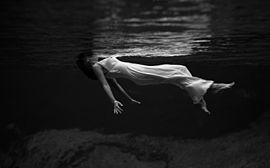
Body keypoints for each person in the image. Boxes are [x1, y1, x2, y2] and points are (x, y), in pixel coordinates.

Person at [76, 52, 234, 115]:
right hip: (138, 73)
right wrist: (113, 101)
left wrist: (128, 98)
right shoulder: (97, 67)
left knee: (179, 69)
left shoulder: (101, 65)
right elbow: (106, 85)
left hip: (139, 72)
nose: (95, 54)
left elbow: (116, 85)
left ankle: (200, 99)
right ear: (88, 61)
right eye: (91, 55)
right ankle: (213, 87)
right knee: (176, 75)